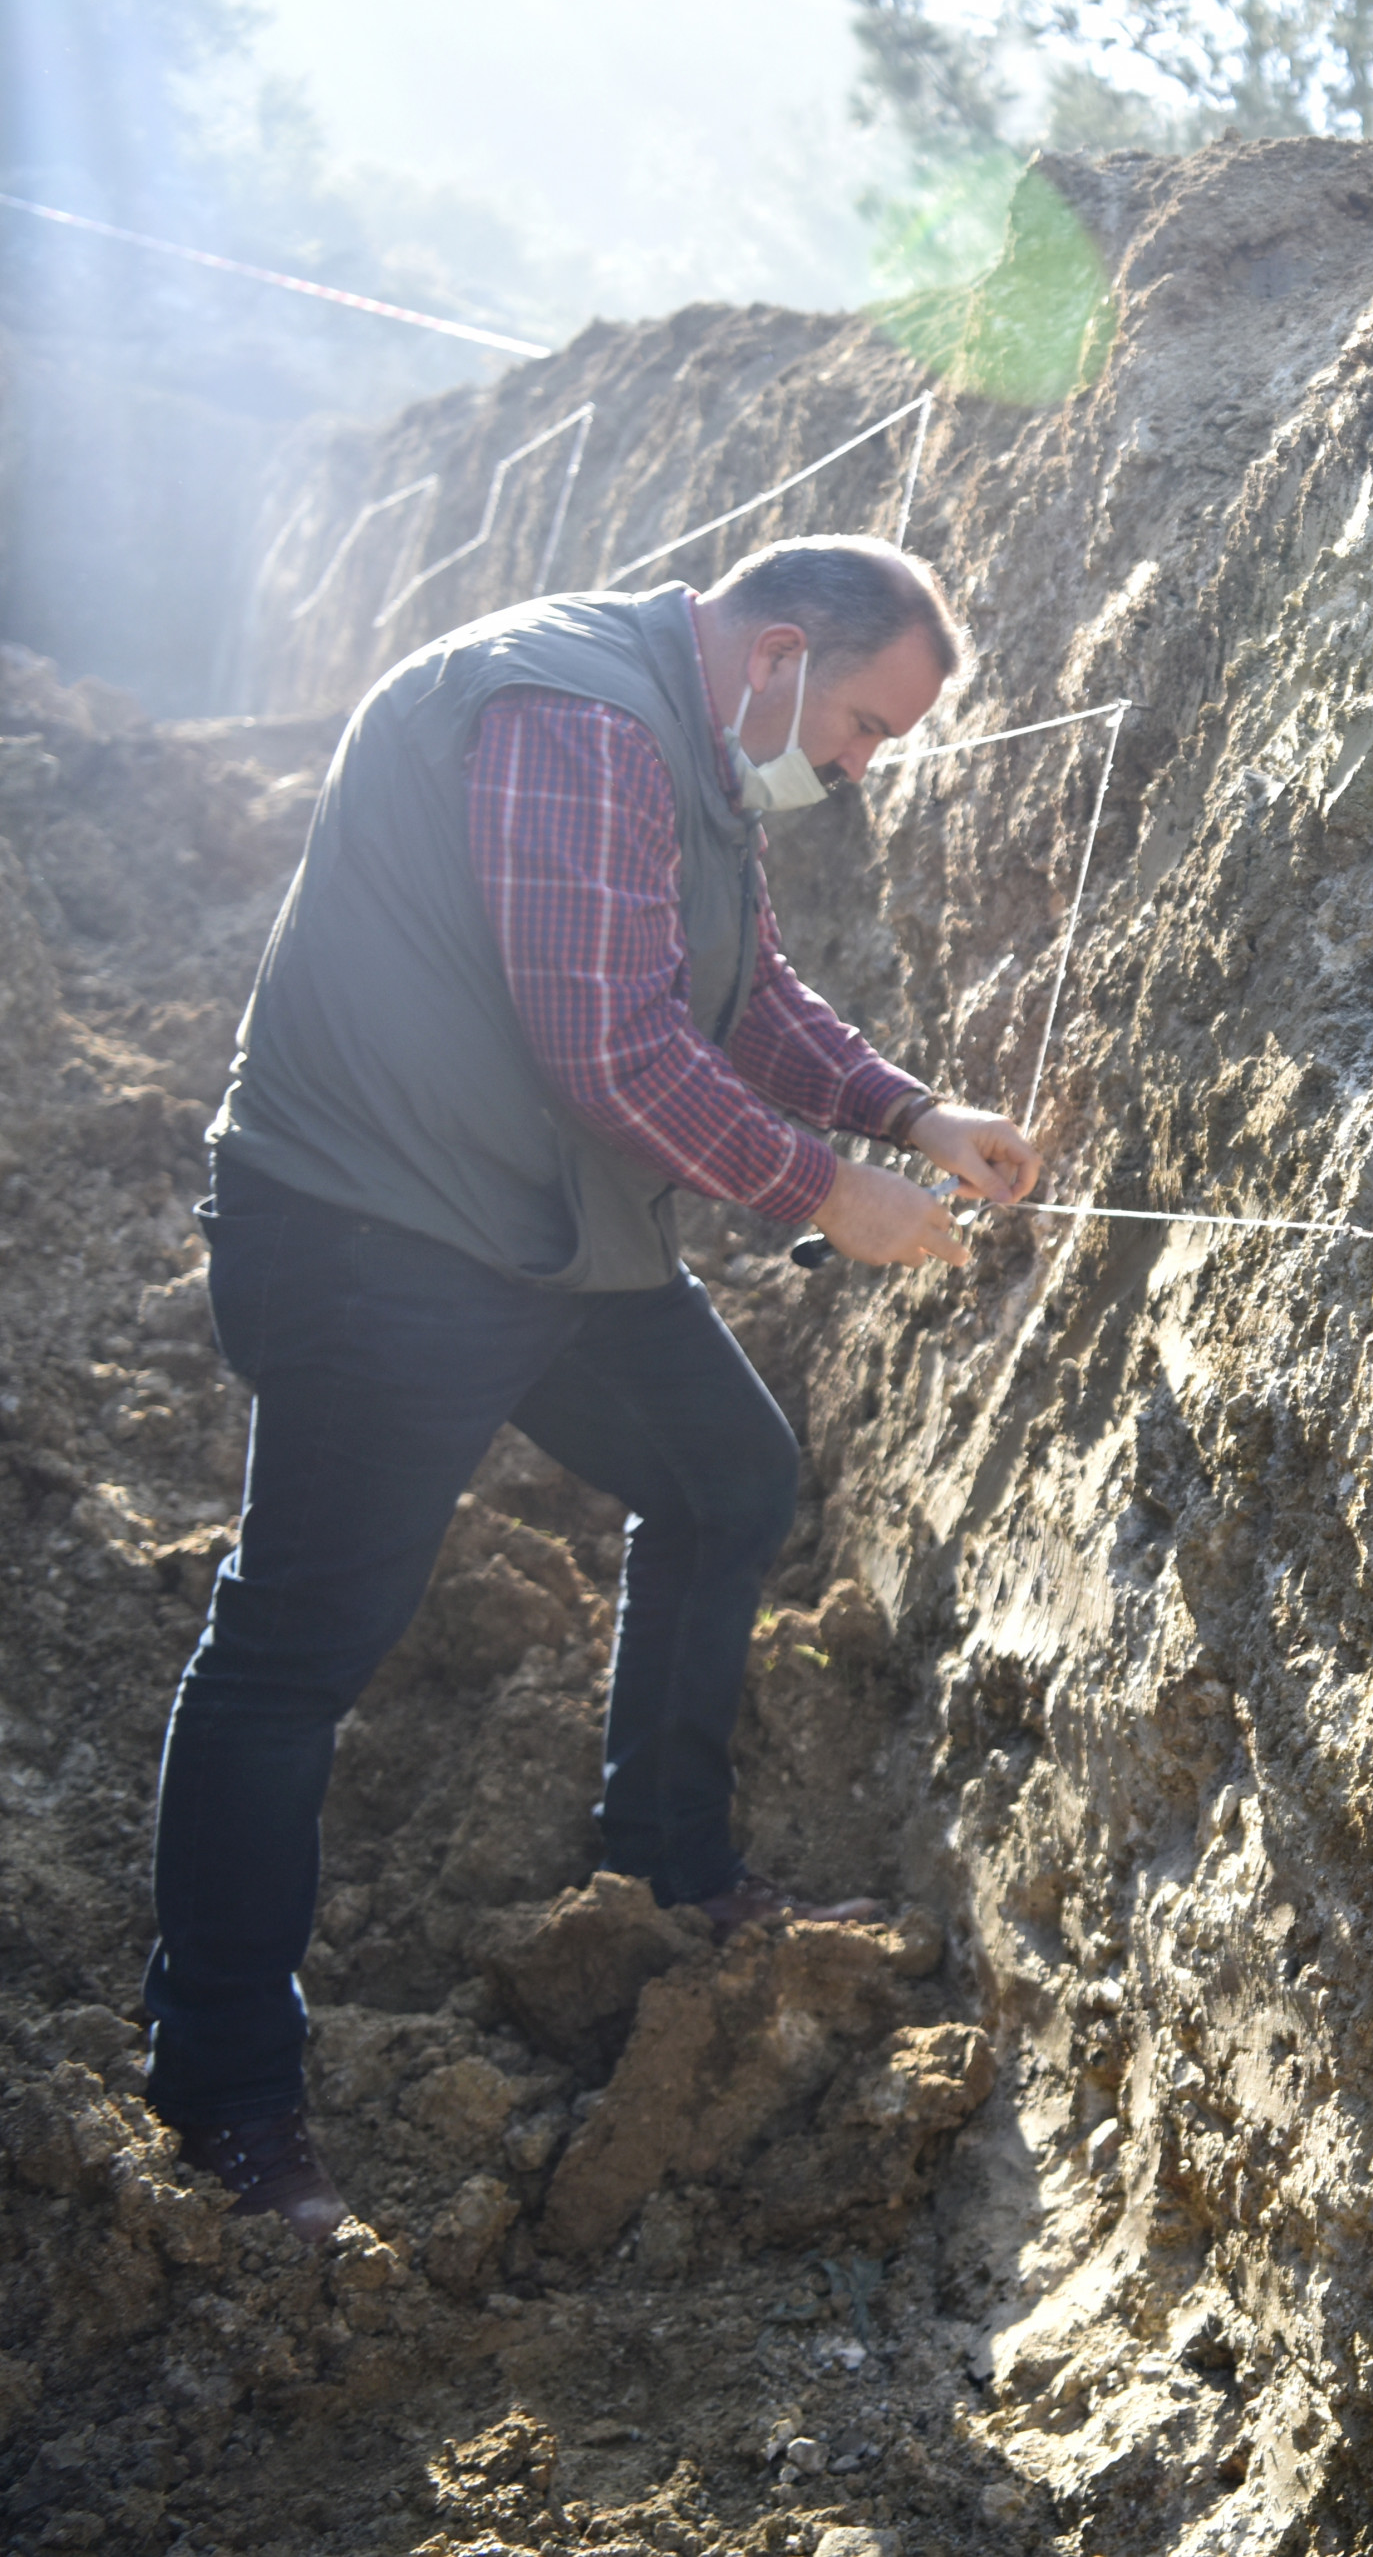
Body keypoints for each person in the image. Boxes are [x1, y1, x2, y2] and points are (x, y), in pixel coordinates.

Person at [146, 535, 1038, 2240]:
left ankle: (664, 1870)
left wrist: (909, 1114)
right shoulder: (572, 713)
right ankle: (224, 2095)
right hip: (377, 1228)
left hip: (535, 1223)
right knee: (293, 1655)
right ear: (780, 651)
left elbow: (742, 988)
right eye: (860, 725)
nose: (857, 770)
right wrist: (827, 1192)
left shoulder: (692, 748)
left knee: (724, 1474)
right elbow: (612, 1045)